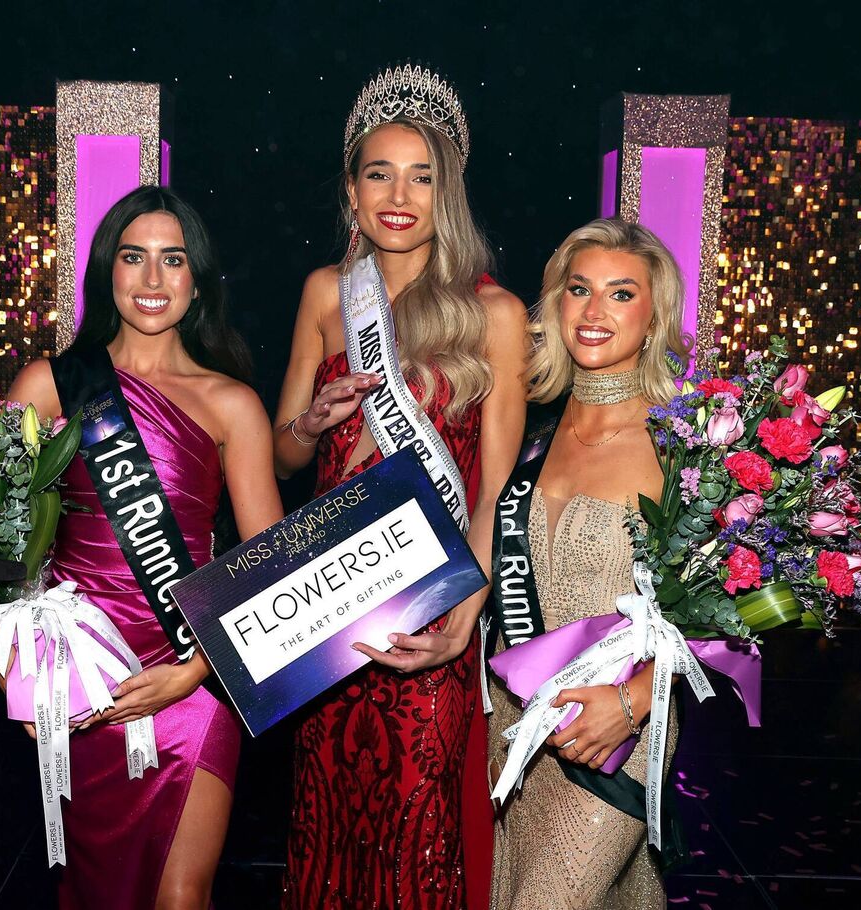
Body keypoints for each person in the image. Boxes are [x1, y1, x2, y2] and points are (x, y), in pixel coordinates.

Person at [275, 65, 528, 910]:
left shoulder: (494, 313)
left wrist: (472, 605)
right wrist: (311, 423)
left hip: (428, 606)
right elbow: (281, 456)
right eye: (378, 173)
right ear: (351, 190)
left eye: (422, 176)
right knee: (329, 817)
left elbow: (494, 487)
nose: (398, 194)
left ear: (445, 193)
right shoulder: (324, 294)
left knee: (417, 824)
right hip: (329, 605)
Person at [0, 185, 283, 910]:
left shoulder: (231, 403)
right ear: (106, 271)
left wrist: (197, 671)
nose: (153, 281)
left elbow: (273, 566)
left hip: (192, 678)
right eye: (134, 258)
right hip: (80, 685)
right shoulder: (51, 386)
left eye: (173, 260)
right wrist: (11, 668)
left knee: (182, 894)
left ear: (197, 279)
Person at [486, 218, 690, 910]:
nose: (594, 311)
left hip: (615, 738)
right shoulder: (530, 434)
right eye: (578, 289)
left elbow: (727, 620)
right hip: (518, 732)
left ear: (654, 313)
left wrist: (630, 707)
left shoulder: (681, 448)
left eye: (621, 294)